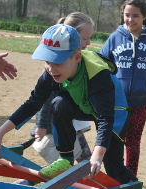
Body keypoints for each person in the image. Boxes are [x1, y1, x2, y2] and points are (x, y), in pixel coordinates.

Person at [0, 24, 137, 186]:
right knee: (59, 103)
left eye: (58, 62)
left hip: (113, 111)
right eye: (47, 61)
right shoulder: (51, 73)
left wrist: (96, 157)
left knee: (114, 169)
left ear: (77, 57)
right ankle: (66, 159)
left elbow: (105, 118)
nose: (51, 68)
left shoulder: (99, 75)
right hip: (83, 105)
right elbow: (31, 104)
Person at [101, 0, 146, 176]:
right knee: (112, 140)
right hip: (115, 102)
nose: (131, 19)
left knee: (133, 143)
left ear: (144, 16)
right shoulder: (114, 38)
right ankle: (113, 178)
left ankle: (129, 181)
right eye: (127, 15)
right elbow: (101, 65)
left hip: (140, 102)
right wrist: (107, 89)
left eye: (136, 15)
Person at [20, 12, 95, 168]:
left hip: (68, 119)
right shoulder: (57, 68)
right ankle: (28, 180)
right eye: (85, 38)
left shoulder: (77, 61)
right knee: (73, 159)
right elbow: (45, 99)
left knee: (80, 156)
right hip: (55, 123)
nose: (88, 43)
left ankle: (89, 179)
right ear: (72, 36)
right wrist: (40, 125)